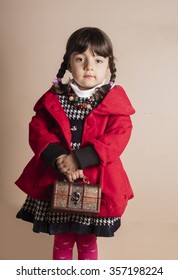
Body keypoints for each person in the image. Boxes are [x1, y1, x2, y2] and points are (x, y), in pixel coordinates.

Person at [15, 27, 135, 260]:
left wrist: (80, 159)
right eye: (81, 59)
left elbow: (119, 136)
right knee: (62, 239)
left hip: (97, 184)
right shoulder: (55, 97)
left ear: (108, 67)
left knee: (87, 240)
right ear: (69, 64)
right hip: (57, 180)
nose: (89, 66)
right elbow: (37, 129)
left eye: (98, 60)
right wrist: (58, 157)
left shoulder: (113, 101)